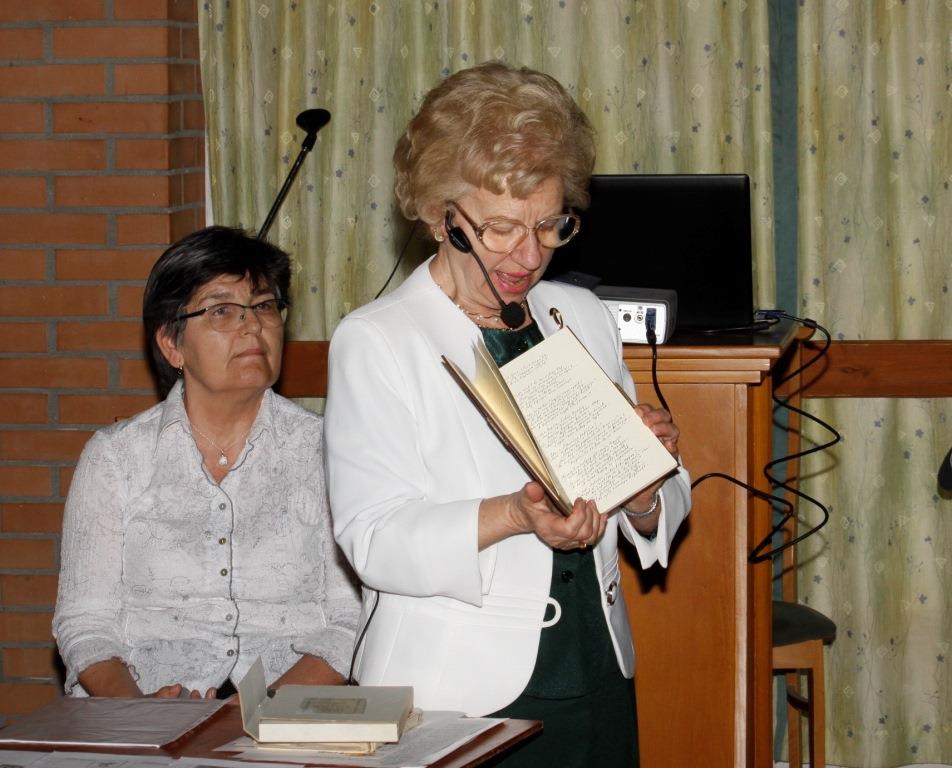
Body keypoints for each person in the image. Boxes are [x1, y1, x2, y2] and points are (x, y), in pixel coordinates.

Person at [324, 63, 691, 766]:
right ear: (442, 219)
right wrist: (515, 515)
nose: (530, 255)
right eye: (501, 229)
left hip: (598, 671)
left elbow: (661, 504)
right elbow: (374, 539)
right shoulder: (378, 340)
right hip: (457, 695)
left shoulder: (580, 315)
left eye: (550, 226)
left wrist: (645, 488)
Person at [53, 226, 360, 699]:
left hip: (291, 706)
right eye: (222, 311)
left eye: (264, 306)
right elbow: (85, 622)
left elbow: (350, 619)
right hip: (144, 706)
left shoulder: (327, 450)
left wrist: (259, 711)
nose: (252, 326)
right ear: (172, 345)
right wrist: (139, 715)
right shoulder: (117, 457)